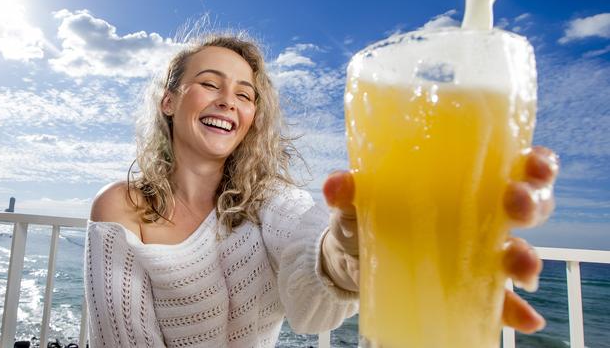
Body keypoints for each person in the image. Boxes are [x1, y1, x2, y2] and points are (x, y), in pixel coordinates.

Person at [85, 32, 558, 347]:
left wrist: (350, 253)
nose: (228, 100)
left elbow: (312, 281)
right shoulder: (120, 206)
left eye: (245, 95)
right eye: (209, 84)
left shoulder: (268, 201)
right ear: (169, 101)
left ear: (251, 119)